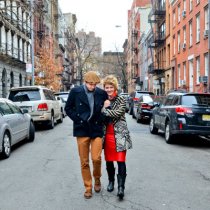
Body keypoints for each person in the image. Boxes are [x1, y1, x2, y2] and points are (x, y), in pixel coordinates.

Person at [65, 71, 108, 199]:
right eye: (90, 84)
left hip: (96, 129)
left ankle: (97, 179)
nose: (92, 87)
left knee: (96, 158)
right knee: (84, 161)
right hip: (82, 129)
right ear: (85, 82)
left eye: (94, 84)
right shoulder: (75, 92)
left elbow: (107, 109)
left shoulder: (101, 93)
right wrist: (78, 120)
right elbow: (68, 108)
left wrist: (102, 116)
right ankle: (88, 187)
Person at [101, 75, 132, 200]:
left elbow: (118, 113)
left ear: (115, 87)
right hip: (107, 135)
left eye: (110, 87)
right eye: (106, 87)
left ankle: (121, 187)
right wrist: (103, 108)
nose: (108, 89)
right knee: (109, 161)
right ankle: (111, 182)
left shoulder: (121, 99)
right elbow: (100, 116)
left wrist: (105, 109)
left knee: (120, 161)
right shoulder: (103, 99)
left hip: (120, 134)